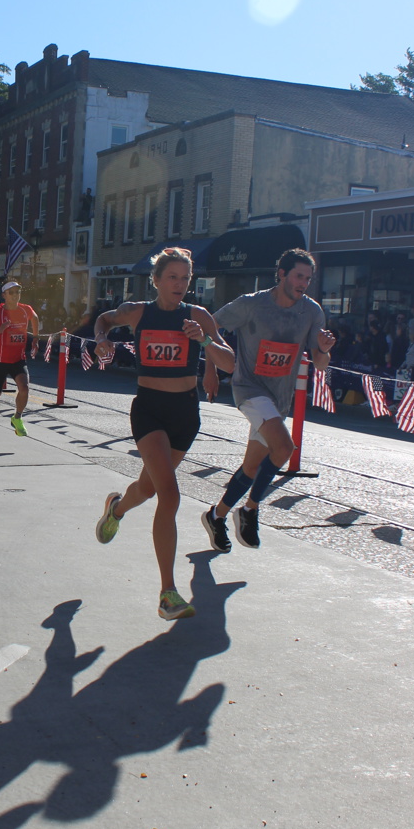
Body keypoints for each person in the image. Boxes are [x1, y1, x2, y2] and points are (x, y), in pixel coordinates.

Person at [92, 247, 234, 621]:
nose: (179, 284)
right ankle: (167, 594)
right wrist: (102, 339)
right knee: (169, 495)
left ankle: (116, 509)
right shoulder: (138, 312)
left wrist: (204, 342)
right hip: (150, 410)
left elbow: (230, 362)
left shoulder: (198, 316)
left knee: (149, 487)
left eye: (185, 278)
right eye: (172, 277)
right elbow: (103, 319)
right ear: (155, 280)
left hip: (185, 414)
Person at [200, 249, 335, 553]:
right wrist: (211, 369)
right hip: (249, 389)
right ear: (282, 274)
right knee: (284, 448)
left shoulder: (311, 311)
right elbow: (210, 326)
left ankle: (216, 516)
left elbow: (320, 363)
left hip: (278, 398)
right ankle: (250, 510)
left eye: (308, 279)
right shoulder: (251, 303)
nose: (303, 284)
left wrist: (324, 349)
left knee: (251, 467)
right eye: (298, 276)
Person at [0, 280, 40, 442]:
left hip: (18, 359)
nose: (15, 295)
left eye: (18, 291)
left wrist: (35, 338)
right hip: (0, 362)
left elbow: (35, 318)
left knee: (24, 388)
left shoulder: (25, 309)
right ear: (4, 295)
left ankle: (17, 417)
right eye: (11, 292)